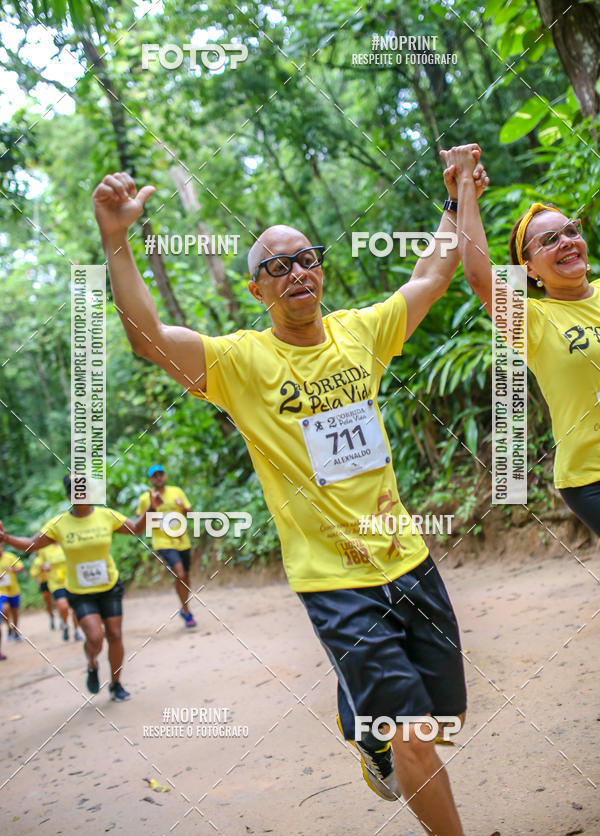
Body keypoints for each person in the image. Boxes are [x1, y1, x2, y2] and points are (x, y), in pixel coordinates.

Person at [93, 154, 488, 836]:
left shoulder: (361, 332)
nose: (297, 271)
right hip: (332, 579)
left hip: (407, 557)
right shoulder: (241, 363)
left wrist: (456, 199)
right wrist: (115, 237)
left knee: (445, 714)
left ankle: (364, 728)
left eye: (306, 258)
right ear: (256, 290)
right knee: (414, 733)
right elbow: (149, 338)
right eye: (277, 266)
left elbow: (432, 272)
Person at [447, 144, 600, 536]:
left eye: (571, 231)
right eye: (549, 240)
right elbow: (479, 276)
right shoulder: (532, 321)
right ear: (529, 269)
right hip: (591, 477)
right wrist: (465, 189)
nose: (566, 241)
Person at [0, 475, 160, 699]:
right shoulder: (59, 524)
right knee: (95, 637)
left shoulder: (106, 515)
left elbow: (136, 528)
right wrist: (5, 538)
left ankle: (116, 684)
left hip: (109, 587)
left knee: (114, 634)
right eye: (75, 491)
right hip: (80, 592)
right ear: (69, 496)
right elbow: (31, 544)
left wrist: (151, 509)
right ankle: (92, 662)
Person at [136, 464, 197, 628]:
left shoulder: (177, 492)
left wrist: (182, 507)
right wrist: (153, 512)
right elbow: (139, 523)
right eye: (154, 476)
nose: (158, 478)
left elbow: (191, 514)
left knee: (186, 576)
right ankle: (186, 610)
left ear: (165, 476)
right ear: (150, 480)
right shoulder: (145, 499)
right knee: (180, 574)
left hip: (182, 541)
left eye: (160, 474)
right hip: (162, 542)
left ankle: (184, 608)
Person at [32, 543, 83, 641]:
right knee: (63, 606)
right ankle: (65, 624)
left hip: (72, 580)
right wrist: (43, 568)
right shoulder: (45, 549)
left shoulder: (67, 542)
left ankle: (77, 630)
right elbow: (39, 564)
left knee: (75, 608)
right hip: (56, 583)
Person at [0, 542, 24, 655]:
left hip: (13, 590)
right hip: (1, 591)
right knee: (4, 609)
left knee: (15, 612)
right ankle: (9, 627)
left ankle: (15, 630)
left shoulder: (10, 557)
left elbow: (21, 567)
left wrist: (12, 570)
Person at [30, 550, 55, 630]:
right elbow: (32, 573)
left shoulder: (50, 556)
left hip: (53, 580)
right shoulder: (36, 561)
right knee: (48, 602)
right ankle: (51, 617)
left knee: (57, 600)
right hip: (43, 583)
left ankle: (62, 617)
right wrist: (40, 570)